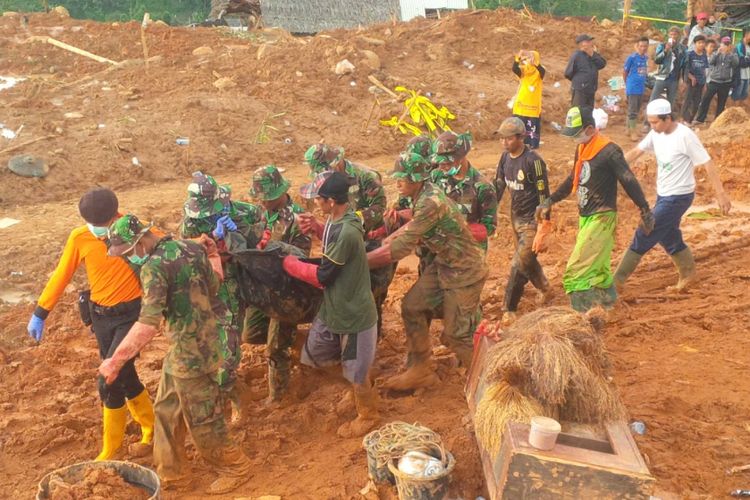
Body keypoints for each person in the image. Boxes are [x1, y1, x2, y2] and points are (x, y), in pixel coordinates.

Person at [98, 215, 252, 494]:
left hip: (194, 354)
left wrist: (115, 360)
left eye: (129, 254)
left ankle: (235, 467)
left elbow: (148, 324)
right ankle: (173, 472)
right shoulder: (190, 248)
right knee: (166, 409)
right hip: (193, 344)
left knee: (203, 420)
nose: (127, 259)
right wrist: (214, 255)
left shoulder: (153, 268)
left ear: (141, 242)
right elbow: (215, 283)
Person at [27, 188, 154, 461]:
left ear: (115, 216)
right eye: (91, 225)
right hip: (100, 318)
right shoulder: (80, 237)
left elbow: (165, 247)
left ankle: (111, 448)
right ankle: (150, 427)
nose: (96, 230)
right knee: (125, 374)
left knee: (109, 377)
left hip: (131, 316)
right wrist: (41, 311)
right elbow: (62, 274)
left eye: (101, 225)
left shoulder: (133, 229)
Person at [367, 153, 488, 390]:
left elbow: (402, 247)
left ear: (416, 178)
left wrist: (359, 262)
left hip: (465, 269)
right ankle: (420, 368)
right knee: (412, 306)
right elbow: (410, 229)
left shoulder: (430, 201)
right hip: (445, 262)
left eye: (402, 178)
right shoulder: (423, 195)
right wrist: (384, 241)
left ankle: (491, 383)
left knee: (457, 335)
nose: (398, 183)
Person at [282, 171, 379, 438]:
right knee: (314, 354)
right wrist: (316, 229)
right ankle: (356, 383)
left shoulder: (347, 230)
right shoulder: (337, 220)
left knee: (358, 371)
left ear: (331, 202)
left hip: (354, 312)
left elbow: (324, 276)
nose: (316, 203)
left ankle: (368, 413)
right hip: (335, 305)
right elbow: (331, 239)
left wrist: (291, 265)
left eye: (319, 199)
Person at [536, 106, 654, 312]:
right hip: (586, 216)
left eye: (576, 134)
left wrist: (644, 208)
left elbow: (628, 179)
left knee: (576, 271)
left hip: (602, 217)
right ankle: (608, 305)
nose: (574, 139)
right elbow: (573, 178)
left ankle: (582, 317)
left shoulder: (609, 151)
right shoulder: (582, 149)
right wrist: (550, 200)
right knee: (598, 269)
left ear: (590, 129)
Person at [614, 99, 731, 292]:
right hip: (663, 195)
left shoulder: (685, 136)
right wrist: (613, 168)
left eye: (655, 122)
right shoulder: (656, 133)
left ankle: (616, 282)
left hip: (679, 197)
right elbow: (636, 151)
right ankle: (689, 274)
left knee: (646, 230)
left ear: (668, 118)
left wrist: (721, 194)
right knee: (668, 235)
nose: (652, 126)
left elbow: (707, 163)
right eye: (650, 122)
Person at [179, 172, 262, 419]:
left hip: (236, 285)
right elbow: (186, 249)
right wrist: (212, 239)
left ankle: (230, 392)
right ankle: (230, 390)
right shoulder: (191, 220)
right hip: (205, 288)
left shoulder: (245, 212)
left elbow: (259, 243)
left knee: (229, 347)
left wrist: (240, 236)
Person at [302, 144, 393, 338]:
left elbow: (379, 209)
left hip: (371, 241)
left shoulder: (366, 177)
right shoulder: (322, 181)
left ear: (338, 162)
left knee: (371, 294)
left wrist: (353, 222)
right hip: (344, 240)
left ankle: (370, 343)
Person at [249, 165, 312, 402]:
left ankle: (280, 396)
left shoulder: (298, 218)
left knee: (275, 347)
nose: (263, 202)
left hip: (286, 289)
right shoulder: (259, 213)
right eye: (261, 198)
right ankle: (300, 339)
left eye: (267, 198)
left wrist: (277, 249)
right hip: (263, 286)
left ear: (280, 192)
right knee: (251, 333)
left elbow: (303, 255)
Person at [494, 117, 551, 325]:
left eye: (508, 139)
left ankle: (509, 307)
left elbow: (545, 195)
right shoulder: (504, 159)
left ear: (521, 137)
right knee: (527, 259)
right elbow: (499, 185)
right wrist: (490, 213)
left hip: (531, 221)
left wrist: (544, 225)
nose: (504, 143)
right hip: (515, 218)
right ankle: (544, 286)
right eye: (502, 139)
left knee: (518, 263)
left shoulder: (534, 162)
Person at [429, 131, 498, 251]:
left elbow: (489, 226)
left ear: (460, 158)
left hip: (469, 252)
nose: (441, 167)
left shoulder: (483, 187)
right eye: (439, 163)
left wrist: (460, 231)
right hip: (440, 249)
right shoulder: (436, 177)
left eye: (446, 163)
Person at [695, 36, 740, 124]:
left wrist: (731, 53)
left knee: (721, 103)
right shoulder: (716, 53)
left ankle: (718, 121)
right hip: (714, 81)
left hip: (726, 82)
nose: (725, 46)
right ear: (721, 44)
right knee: (705, 100)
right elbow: (710, 62)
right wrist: (717, 53)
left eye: (727, 44)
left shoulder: (732, 54)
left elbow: (736, 64)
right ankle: (700, 119)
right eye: (724, 44)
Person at [648, 27, 687, 115]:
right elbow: (657, 60)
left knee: (670, 104)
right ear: (668, 35)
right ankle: (648, 122)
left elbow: (685, 65)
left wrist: (684, 80)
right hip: (661, 77)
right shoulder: (662, 45)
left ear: (679, 36)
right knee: (653, 100)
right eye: (671, 34)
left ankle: (666, 122)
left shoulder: (683, 49)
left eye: (675, 34)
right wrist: (665, 50)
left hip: (674, 80)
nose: (673, 36)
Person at [512, 50, 545, 149]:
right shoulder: (523, 70)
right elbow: (514, 68)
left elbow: (542, 70)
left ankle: (532, 144)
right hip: (522, 103)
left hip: (533, 105)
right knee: (520, 123)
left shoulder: (539, 72)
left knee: (532, 125)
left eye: (531, 57)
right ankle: (517, 143)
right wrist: (518, 58)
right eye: (528, 58)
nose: (528, 60)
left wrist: (535, 63)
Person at [564, 34, 607, 108]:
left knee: (588, 112)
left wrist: (592, 54)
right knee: (578, 112)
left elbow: (602, 64)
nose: (591, 43)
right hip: (580, 90)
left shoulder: (593, 54)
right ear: (582, 44)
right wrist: (579, 81)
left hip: (591, 89)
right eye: (588, 41)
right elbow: (568, 73)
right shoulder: (577, 56)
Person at [623, 36, 650, 141]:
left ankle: (628, 129)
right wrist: (628, 83)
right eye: (641, 46)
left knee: (635, 108)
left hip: (640, 88)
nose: (643, 48)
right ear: (637, 46)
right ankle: (633, 132)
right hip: (633, 87)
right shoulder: (632, 58)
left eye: (645, 46)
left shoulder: (645, 58)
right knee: (633, 110)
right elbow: (625, 72)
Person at [682, 35, 709, 124]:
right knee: (687, 100)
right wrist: (691, 77)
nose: (701, 45)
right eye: (699, 43)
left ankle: (690, 120)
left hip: (700, 82)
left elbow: (704, 69)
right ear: (695, 44)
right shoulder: (690, 54)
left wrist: (705, 83)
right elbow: (685, 69)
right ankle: (685, 119)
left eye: (703, 43)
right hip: (691, 82)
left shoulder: (704, 56)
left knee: (696, 103)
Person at [732, 29, 750, 103]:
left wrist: (747, 60)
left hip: (748, 75)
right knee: (736, 96)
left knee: (744, 95)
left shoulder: (749, 47)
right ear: (746, 35)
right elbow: (741, 63)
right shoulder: (739, 46)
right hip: (740, 76)